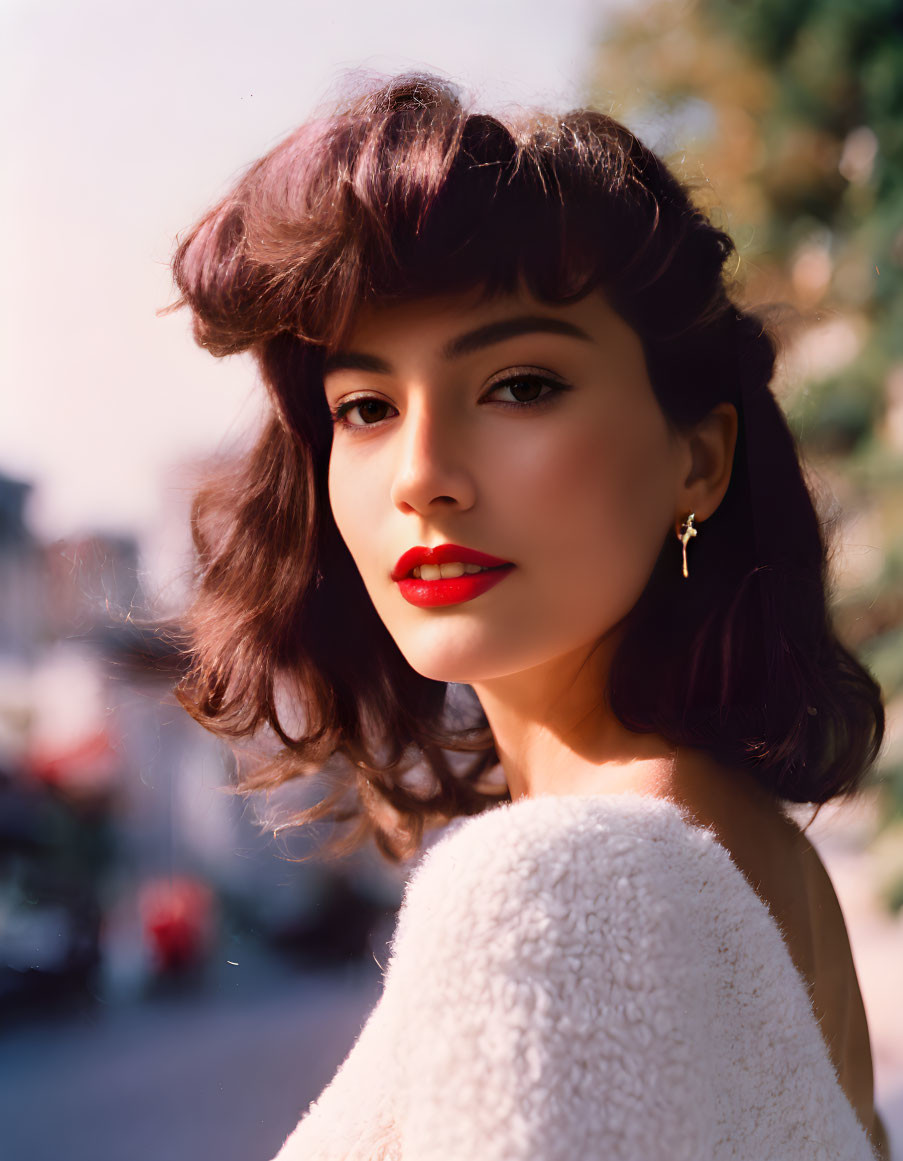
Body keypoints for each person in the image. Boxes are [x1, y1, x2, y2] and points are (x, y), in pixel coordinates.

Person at [165, 71, 890, 1160]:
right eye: (365, 408)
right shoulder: (750, 855)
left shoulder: (571, 885)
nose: (422, 477)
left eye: (519, 385)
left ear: (699, 459)